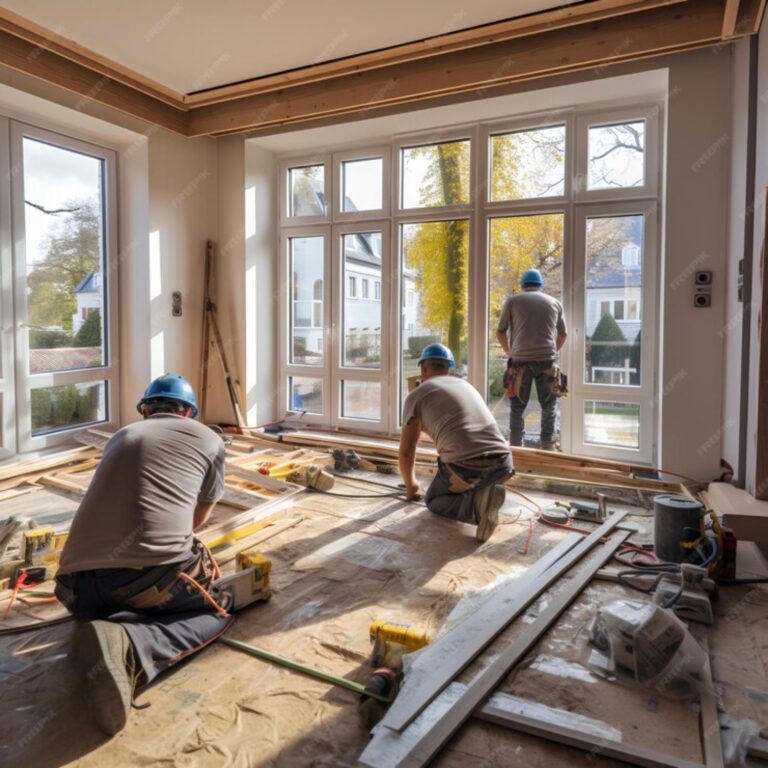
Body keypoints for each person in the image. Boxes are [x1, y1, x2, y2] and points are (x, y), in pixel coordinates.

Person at [54, 373, 233, 735]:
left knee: (124, 588)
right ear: (188, 412)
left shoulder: (122, 436)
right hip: (146, 580)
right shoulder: (210, 438)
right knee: (221, 609)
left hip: (74, 589)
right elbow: (196, 521)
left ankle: (108, 624)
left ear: (145, 410)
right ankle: (133, 646)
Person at [399, 344, 514, 542]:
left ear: (423, 369)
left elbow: (407, 452)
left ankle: (477, 507)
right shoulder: (466, 386)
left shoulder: (416, 395)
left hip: (467, 466)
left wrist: (412, 488)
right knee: (468, 476)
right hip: (504, 463)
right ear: (449, 369)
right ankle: (486, 493)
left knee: (434, 500)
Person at [496, 268, 567, 451]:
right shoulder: (555, 303)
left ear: (523, 285)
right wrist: (552, 351)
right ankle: (547, 446)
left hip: (520, 362)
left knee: (517, 407)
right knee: (549, 406)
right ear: (540, 286)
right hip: (547, 362)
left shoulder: (513, 301)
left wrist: (509, 352)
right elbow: (563, 335)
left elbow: (500, 331)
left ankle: (516, 447)